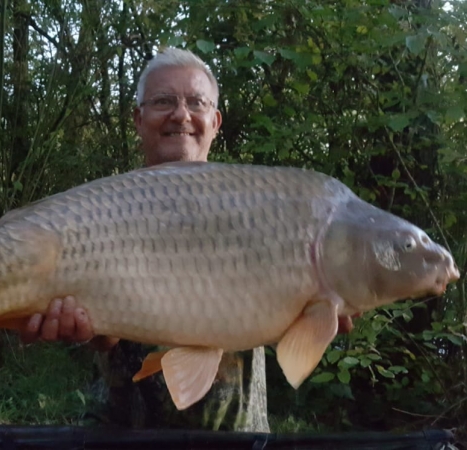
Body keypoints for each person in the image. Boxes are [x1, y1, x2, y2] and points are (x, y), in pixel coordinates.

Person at [20, 47, 357, 432]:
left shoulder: (261, 207)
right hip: (122, 430)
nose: (181, 114)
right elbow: (104, 329)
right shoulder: (100, 210)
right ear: (138, 118)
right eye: (164, 101)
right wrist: (90, 333)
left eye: (196, 102)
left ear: (214, 121)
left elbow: (295, 322)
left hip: (235, 433)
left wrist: (322, 312)